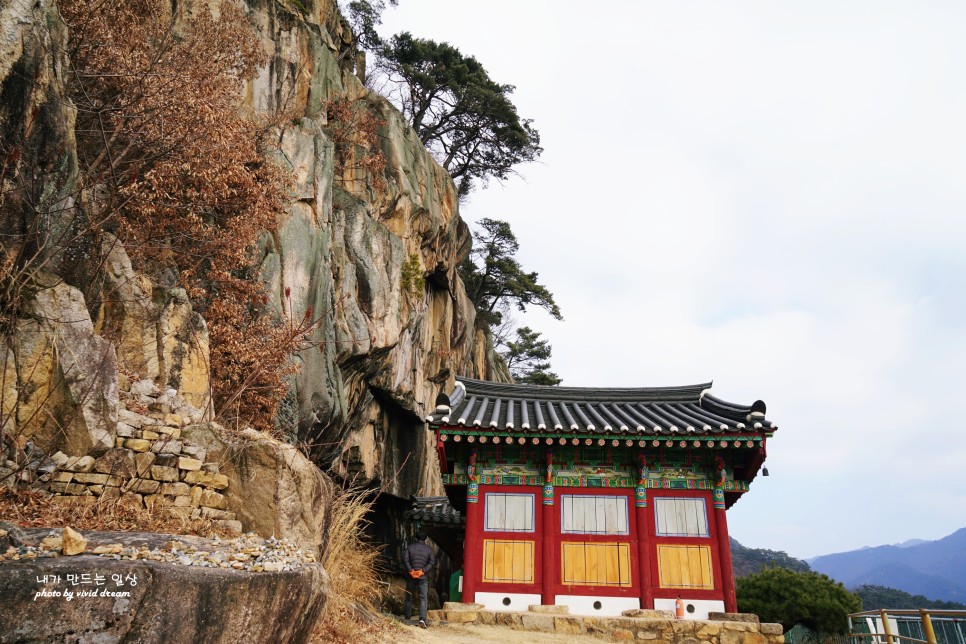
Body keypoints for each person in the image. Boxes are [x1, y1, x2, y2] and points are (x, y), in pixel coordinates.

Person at [403, 530, 435, 628]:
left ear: (415, 538)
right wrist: (423, 571)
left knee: (409, 596)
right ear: (425, 539)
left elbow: (405, 559)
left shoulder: (409, 548)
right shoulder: (429, 550)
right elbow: (432, 562)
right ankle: (422, 619)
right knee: (423, 598)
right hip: (423, 577)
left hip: (411, 576)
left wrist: (411, 571)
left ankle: (407, 618)